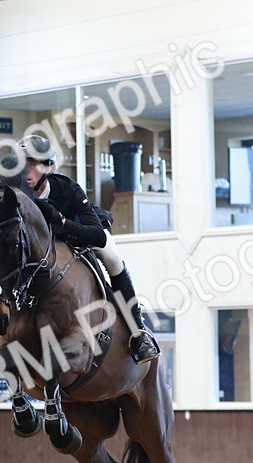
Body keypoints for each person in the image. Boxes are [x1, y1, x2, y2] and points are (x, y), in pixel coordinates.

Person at [13, 135, 160, 364]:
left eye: (32, 165)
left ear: (48, 167)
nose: (25, 172)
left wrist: (62, 223)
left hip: (80, 233)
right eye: (22, 165)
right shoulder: (16, 194)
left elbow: (97, 235)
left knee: (111, 256)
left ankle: (138, 332)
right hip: (45, 249)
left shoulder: (68, 189)